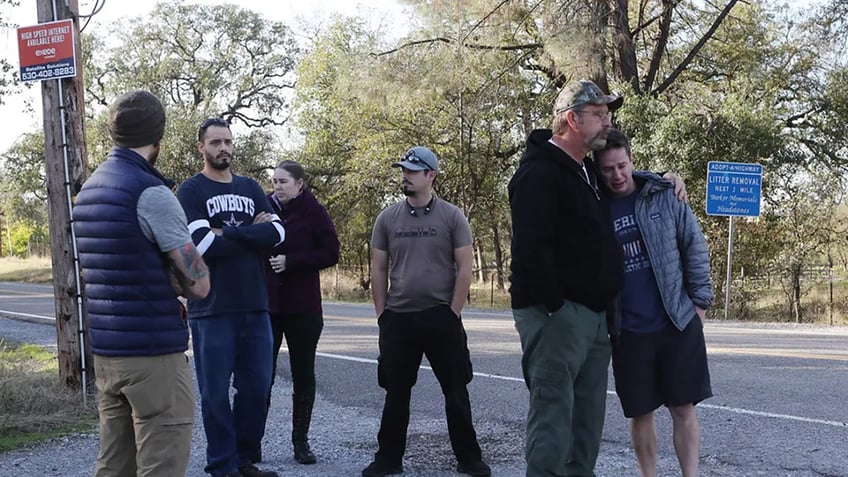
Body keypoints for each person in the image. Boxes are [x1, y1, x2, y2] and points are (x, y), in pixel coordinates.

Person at [73, 89, 211, 477]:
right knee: (161, 464)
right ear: (158, 139)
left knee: (113, 466)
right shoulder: (152, 194)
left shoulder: (88, 192)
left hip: (107, 354)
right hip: (154, 357)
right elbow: (199, 284)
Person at [508, 79, 626, 477]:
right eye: (598, 114)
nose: (606, 122)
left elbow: (624, 180)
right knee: (553, 420)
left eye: (607, 114)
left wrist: (665, 179)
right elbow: (531, 250)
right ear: (572, 119)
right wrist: (557, 308)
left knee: (586, 425)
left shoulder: (586, 172)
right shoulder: (539, 174)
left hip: (592, 318)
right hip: (557, 315)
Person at [362, 146, 491, 477]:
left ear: (430, 175)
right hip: (399, 319)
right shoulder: (387, 218)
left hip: (440, 316)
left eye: (411, 170)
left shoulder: (452, 216)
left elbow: (465, 268)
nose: (404, 175)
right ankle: (388, 459)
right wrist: (382, 314)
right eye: (403, 169)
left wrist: (453, 312)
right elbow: (378, 268)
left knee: (455, 391)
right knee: (396, 393)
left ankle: (469, 458)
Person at [595, 129, 712, 477]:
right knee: (640, 413)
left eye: (622, 166)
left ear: (631, 161)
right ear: (599, 170)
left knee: (683, 407)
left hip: (676, 322)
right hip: (628, 331)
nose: (617, 175)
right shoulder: (595, 209)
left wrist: (700, 305)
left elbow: (694, 247)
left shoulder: (663, 195)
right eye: (608, 169)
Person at [176, 118, 286, 477]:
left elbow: (278, 234)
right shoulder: (191, 191)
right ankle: (222, 465)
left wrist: (227, 232)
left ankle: (244, 458)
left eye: (227, 141)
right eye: (215, 142)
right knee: (216, 395)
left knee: (257, 387)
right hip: (211, 309)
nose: (223, 148)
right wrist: (251, 231)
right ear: (201, 148)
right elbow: (202, 245)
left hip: (255, 304)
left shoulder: (251, 186)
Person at [263, 159, 340, 465]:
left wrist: (292, 261)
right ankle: (253, 442)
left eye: (283, 181)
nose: (277, 187)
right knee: (261, 376)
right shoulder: (264, 210)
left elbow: (331, 252)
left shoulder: (314, 212)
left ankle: (301, 443)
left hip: (303, 308)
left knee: (303, 375)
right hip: (269, 306)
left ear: (299, 184)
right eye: (275, 181)